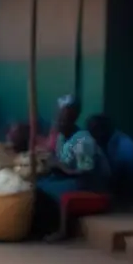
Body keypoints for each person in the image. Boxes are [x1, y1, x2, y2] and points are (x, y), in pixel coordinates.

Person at [36, 96, 111, 241]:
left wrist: (60, 166)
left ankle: (61, 230)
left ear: (73, 118)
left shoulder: (83, 141)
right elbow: (60, 162)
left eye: (63, 118)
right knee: (38, 184)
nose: (58, 122)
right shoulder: (61, 138)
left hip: (92, 185)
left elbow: (87, 173)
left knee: (44, 191)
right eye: (57, 117)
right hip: (73, 178)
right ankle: (43, 227)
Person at [88, 113, 133, 203]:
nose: (91, 135)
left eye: (93, 130)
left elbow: (123, 179)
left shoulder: (125, 146)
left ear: (103, 130)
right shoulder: (104, 143)